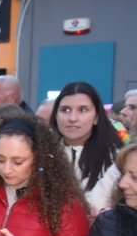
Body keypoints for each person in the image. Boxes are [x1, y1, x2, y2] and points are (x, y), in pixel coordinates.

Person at [51, 81, 123, 215]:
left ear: (96, 117)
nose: (72, 118)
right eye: (65, 110)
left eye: (82, 110)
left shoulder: (116, 160)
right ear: (56, 115)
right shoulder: (40, 155)